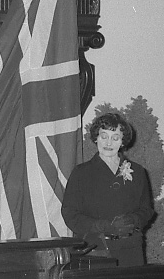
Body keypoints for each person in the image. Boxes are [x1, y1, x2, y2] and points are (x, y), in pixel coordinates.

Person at [61, 113, 154, 267]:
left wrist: (132, 221)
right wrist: (104, 226)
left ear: (123, 142)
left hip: (131, 251)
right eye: (104, 136)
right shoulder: (81, 173)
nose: (108, 143)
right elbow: (70, 214)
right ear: (96, 138)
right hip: (96, 250)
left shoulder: (137, 171)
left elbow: (147, 209)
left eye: (115, 137)